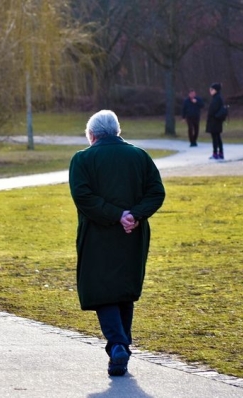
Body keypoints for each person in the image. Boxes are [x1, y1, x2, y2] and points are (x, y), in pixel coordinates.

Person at [68, 110, 166, 377]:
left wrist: (116, 215)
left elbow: (83, 196)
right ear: (117, 131)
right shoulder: (139, 156)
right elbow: (156, 192)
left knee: (103, 290)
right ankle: (121, 346)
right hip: (132, 234)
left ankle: (118, 345)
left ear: (92, 135)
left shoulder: (82, 159)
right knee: (124, 288)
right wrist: (133, 214)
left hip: (98, 235)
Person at [205, 82, 227, 160]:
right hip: (216, 121)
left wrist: (210, 115)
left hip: (214, 121)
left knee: (215, 138)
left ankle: (216, 153)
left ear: (216, 90)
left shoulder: (216, 99)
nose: (210, 91)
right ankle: (220, 153)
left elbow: (213, 110)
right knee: (217, 137)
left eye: (212, 89)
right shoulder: (217, 98)